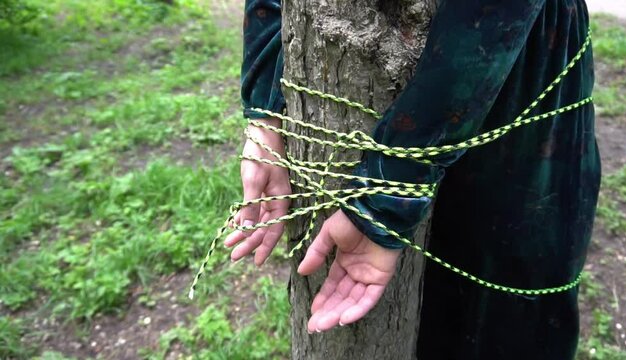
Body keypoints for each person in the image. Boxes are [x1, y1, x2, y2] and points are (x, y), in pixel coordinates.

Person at [224, 0, 601, 358]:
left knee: (496, 319)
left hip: (515, 72)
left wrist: (386, 198)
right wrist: (266, 113)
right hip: (335, 71)